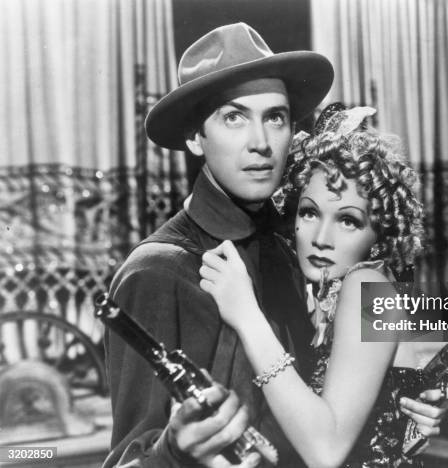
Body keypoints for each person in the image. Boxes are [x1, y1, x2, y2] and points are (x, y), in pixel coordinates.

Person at [103, 22, 334, 467]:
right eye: (234, 117)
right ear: (195, 138)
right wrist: (173, 450)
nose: (262, 143)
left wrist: (400, 400)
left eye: (276, 117)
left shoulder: (284, 248)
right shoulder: (158, 271)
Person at [199, 105, 448, 467]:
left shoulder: (367, 286)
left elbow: (326, 452)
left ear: (379, 235)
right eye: (309, 212)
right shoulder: (332, 292)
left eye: (348, 221)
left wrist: (246, 315)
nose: (321, 238)